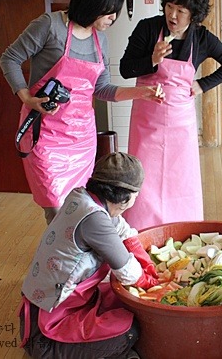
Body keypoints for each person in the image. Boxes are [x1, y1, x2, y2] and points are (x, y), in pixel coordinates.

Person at [0, 0, 164, 224]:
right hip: (45, 132)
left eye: (115, 12)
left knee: (80, 202)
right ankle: (59, 256)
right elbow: (9, 58)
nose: (113, 18)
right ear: (92, 3)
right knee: (55, 204)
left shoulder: (101, 40)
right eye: (109, 11)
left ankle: (75, 255)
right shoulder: (49, 26)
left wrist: (140, 92)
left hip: (81, 136)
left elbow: (102, 89)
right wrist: (27, 98)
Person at [119, 0, 222, 229]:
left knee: (181, 177)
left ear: (194, 16)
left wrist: (202, 84)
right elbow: (124, 69)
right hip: (146, 118)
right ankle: (141, 229)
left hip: (180, 121)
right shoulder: (148, 28)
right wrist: (151, 59)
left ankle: (184, 227)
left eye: (181, 11)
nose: (173, 15)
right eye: (170, 7)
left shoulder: (202, 38)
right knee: (145, 175)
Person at [19, 152, 159, 359]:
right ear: (126, 198)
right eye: (136, 195)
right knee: (129, 331)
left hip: (41, 309)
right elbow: (128, 273)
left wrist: (148, 264)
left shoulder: (81, 197)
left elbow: (123, 232)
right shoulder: (94, 220)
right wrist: (155, 282)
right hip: (46, 334)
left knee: (118, 300)